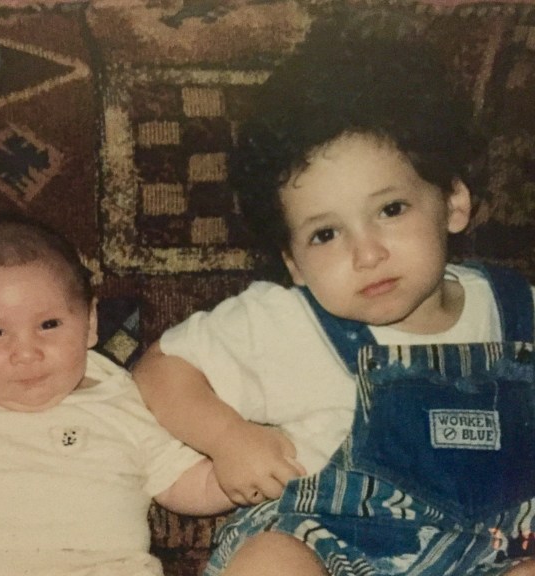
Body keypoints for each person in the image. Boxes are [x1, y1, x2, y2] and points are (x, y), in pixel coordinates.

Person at [133, 24, 535, 576]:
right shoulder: (287, 320)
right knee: (271, 558)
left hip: (490, 555)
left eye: (391, 210)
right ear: (294, 264)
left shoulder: (519, 309)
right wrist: (228, 436)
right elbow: (159, 371)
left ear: (453, 201)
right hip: (330, 548)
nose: (366, 253)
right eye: (325, 234)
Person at [0, 213, 233, 576]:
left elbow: (183, 481)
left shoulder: (124, 399)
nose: (26, 353)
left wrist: (242, 470)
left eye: (49, 325)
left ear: (90, 323)